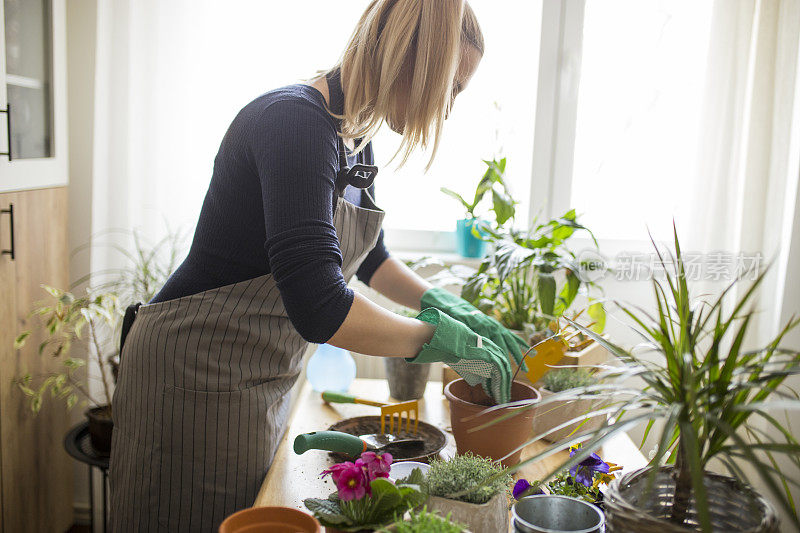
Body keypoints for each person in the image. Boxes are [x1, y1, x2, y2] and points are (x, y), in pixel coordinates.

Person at [108, 1, 527, 531]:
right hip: (195, 372)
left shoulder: (355, 132)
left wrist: (448, 307)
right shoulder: (295, 124)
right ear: (410, 60)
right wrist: (438, 340)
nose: (445, 110)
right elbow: (320, 305)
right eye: (451, 88)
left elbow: (371, 258)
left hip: (258, 373)